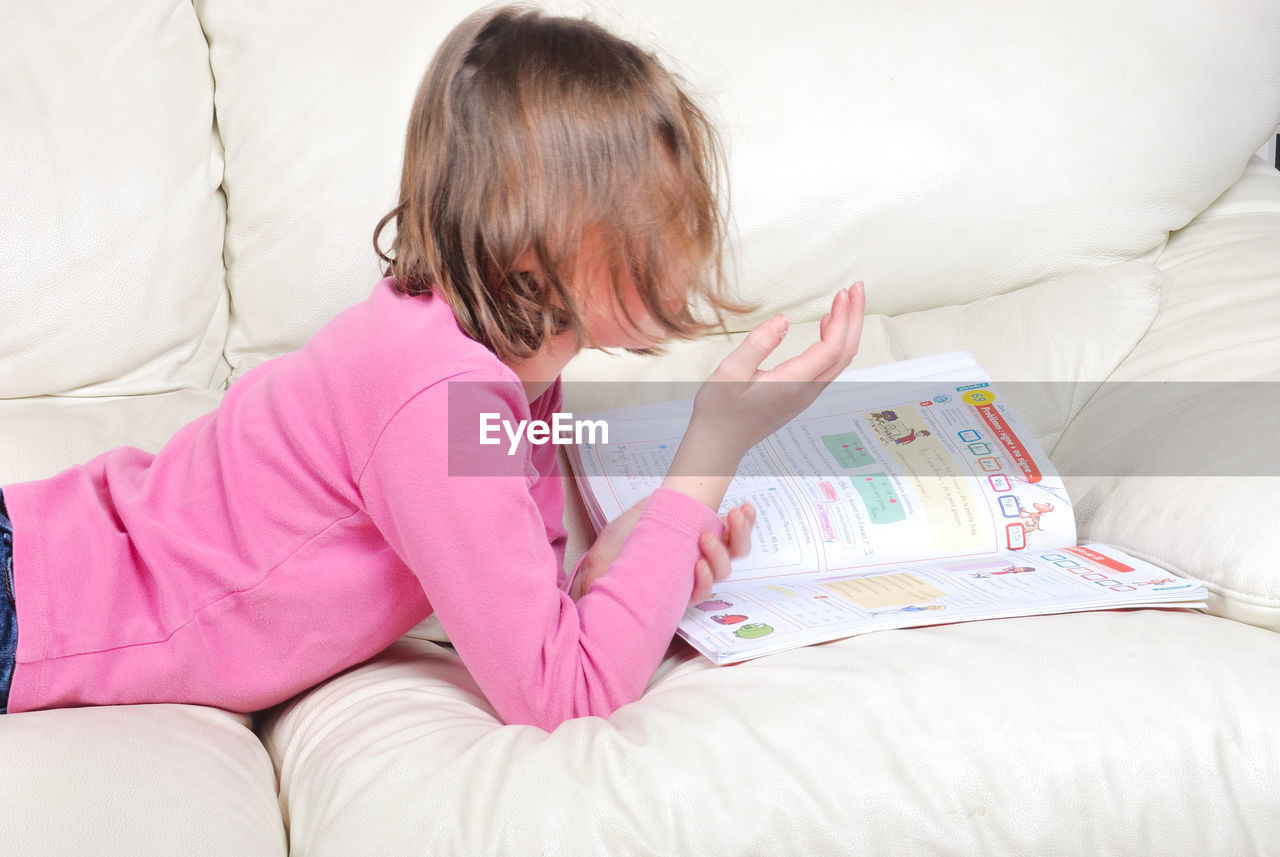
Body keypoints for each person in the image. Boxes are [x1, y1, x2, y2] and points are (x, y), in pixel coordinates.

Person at [0, 5, 864, 730]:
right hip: (30, 598)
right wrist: (704, 458)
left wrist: (618, 568)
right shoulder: (439, 393)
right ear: (540, 233)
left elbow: (522, 607)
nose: (684, 241)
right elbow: (565, 694)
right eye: (656, 215)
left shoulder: (497, 366)